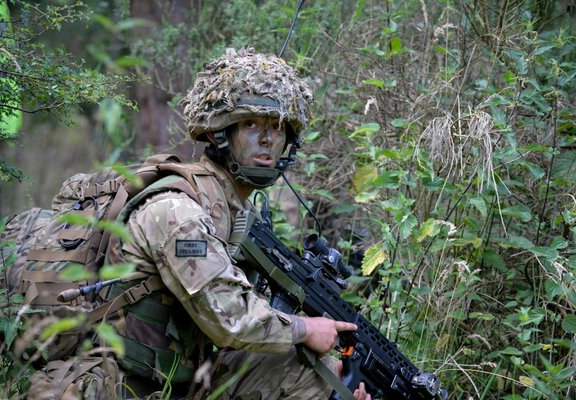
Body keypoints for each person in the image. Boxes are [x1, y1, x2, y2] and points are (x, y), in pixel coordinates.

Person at [28, 48, 371, 400]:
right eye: (251, 124)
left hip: (178, 378)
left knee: (318, 377)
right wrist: (305, 328)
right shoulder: (178, 213)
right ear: (217, 134)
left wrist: (332, 379)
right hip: (118, 385)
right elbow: (231, 319)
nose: (267, 139)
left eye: (277, 127)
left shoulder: (232, 211)